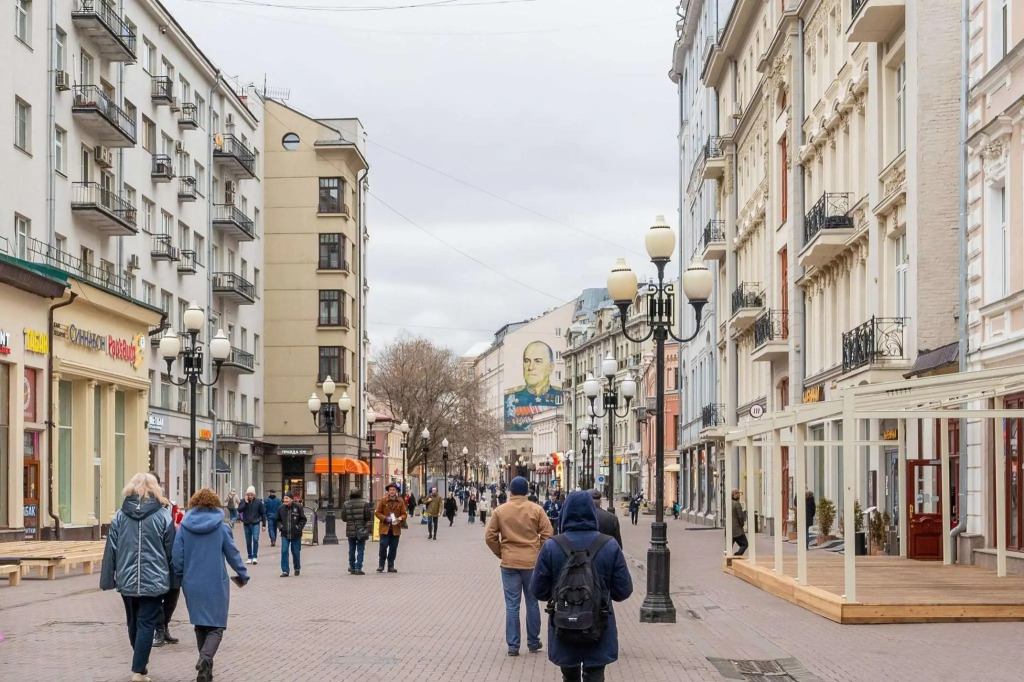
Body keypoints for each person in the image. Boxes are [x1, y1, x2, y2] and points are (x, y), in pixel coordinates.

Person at [530, 490, 633, 682]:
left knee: (569, 675)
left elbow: (539, 591)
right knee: (595, 674)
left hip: (564, 625)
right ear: (593, 513)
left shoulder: (552, 546)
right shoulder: (609, 545)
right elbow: (623, 591)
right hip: (598, 627)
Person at [100, 473, 176, 682]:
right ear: (155, 489)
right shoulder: (163, 516)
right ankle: (138, 668)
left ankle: (139, 664)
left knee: (133, 621)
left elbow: (111, 549)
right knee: (145, 623)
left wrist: (108, 577)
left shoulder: (119, 516)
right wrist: (175, 578)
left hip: (127, 578)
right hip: (155, 579)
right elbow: (171, 551)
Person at [172, 488, 249, 682]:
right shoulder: (222, 527)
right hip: (216, 582)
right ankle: (205, 658)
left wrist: (181, 575)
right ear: (215, 504)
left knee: (200, 625)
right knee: (216, 627)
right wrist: (242, 573)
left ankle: (205, 671)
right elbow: (232, 553)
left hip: (192, 582)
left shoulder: (184, 527)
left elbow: (177, 556)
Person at [486, 476, 553, 657]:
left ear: (511, 491)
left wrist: (502, 552)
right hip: (531, 563)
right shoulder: (536, 509)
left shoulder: (500, 511)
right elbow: (548, 533)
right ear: (526, 491)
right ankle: (533, 641)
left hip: (509, 563)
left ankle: (513, 646)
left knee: (512, 605)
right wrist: (538, 552)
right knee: (532, 602)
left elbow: (490, 537)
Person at [148, 472, 180, 649]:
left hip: (172, 556)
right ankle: (158, 629)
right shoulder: (141, 506)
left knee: (173, 594)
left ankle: (165, 626)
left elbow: (177, 524)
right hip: (154, 559)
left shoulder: (169, 505)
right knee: (156, 596)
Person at [375, 483, 408, 572]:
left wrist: (401, 518)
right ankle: (381, 565)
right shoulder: (383, 500)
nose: (392, 492)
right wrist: (385, 518)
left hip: (395, 528)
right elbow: (377, 513)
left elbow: (404, 513)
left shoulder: (400, 501)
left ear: (396, 491)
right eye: (390, 490)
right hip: (385, 527)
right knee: (383, 545)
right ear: (388, 491)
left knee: (393, 547)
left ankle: (391, 565)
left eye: (393, 490)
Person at [342, 488, 373, 575]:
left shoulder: (346, 504)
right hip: (361, 529)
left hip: (350, 529)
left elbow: (344, 518)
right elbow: (368, 516)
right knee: (360, 548)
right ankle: (358, 567)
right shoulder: (364, 503)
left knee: (351, 549)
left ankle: (352, 567)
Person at [276, 491, 307, 577]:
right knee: (284, 551)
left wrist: (298, 527)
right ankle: (285, 570)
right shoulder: (281, 508)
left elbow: (303, 519)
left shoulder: (298, 507)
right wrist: (281, 527)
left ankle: (297, 568)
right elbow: (277, 520)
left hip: (296, 534)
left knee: (296, 552)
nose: (285, 500)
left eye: (287, 498)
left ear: (291, 499)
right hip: (285, 534)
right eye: (284, 498)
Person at [236, 486, 266, 565]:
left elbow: (263, 513)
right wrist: (245, 503)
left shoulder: (259, 502)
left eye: (251, 495)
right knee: (248, 541)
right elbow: (239, 510)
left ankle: (255, 557)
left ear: (254, 495)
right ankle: (250, 556)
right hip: (246, 523)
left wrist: (264, 524)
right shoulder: (243, 501)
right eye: (248, 495)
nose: (250, 496)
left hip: (256, 523)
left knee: (255, 539)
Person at [731, 489, 748, 556]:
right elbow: (740, 516)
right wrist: (742, 524)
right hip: (737, 529)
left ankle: (727, 559)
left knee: (728, 547)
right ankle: (737, 555)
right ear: (734, 495)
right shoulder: (736, 504)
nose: (739, 495)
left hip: (729, 529)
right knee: (744, 544)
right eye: (737, 493)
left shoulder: (728, 503)